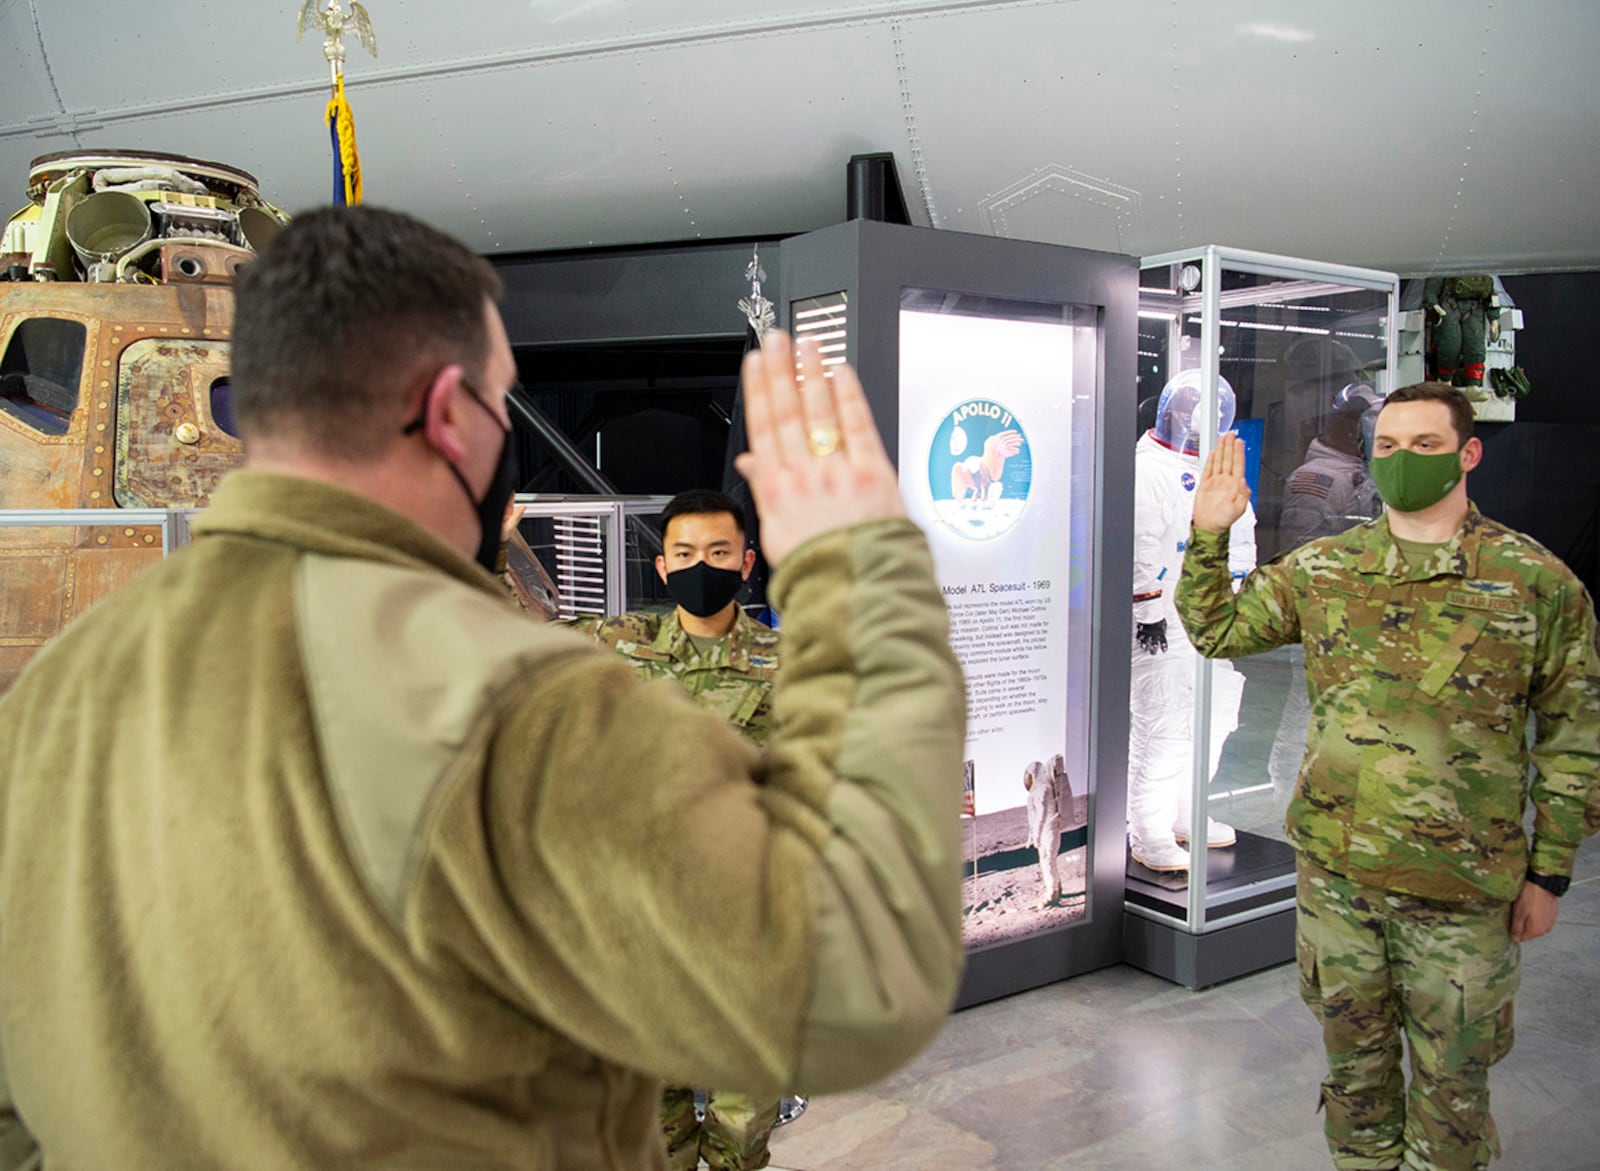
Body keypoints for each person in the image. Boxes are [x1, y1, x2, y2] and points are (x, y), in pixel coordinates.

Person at [0, 206, 968, 1170]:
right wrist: (860, 573)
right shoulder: (529, 709)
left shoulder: (51, 702)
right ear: (449, 411)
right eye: (502, 398)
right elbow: (855, 981)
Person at [1176, 381, 1600, 1171]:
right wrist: (1209, 536)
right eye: (1390, 447)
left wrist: (1550, 873)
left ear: (1468, 453)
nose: (1404, 461)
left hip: (1464, 892)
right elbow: (1218, 627)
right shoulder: (1328, 568)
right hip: (1339, 883)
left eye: (1426, 446)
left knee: (1452, 1099)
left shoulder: (1533, 583)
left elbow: (1577, 740)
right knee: (1356, 1087)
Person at [565, 488, 784, 1171]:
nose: (701, 565)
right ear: (662, 568)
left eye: (718, 552)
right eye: (684, 553)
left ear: (746, 563)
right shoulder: (617, 643)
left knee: (744, 1116)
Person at [1128, 369, 1255, 873]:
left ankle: (1185, 813)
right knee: (1165, 727)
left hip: (1211, 614)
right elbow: (1138, 543)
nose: (1197, 419)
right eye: (1189, 409)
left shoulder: (1213, 469)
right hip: (1161, 622)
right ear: (1169, 412)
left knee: (1214, 719)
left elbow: (1241, 531)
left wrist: (1238, 595)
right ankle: (1149, 830)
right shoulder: (1147, 469)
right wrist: (1148, 609)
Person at [1278, 382, 1383, 550]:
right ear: (1352, 429)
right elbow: (1300, 554)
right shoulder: (1317, 479)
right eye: (1371, 426)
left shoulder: (1363, 469)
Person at [1022, 757, 1065, 907]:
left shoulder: (1043, 790)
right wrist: (1032, 836)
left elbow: (1041, 815)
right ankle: (1057, 886)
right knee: (1048, 860)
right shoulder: (1043, 790)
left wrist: (1037, 835)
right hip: (1046, 831)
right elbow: (1033, 819)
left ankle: (1052, 893)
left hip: (1049, 830)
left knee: (1047, 860)